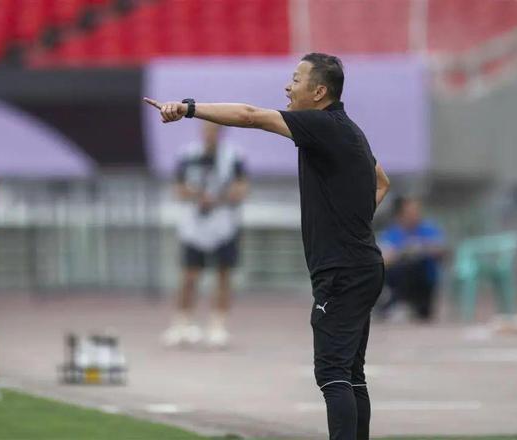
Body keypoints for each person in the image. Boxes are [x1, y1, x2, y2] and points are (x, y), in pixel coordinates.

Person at [144, 53, 390, 440]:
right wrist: (348, 222)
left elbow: (249, 115)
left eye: (296, 79)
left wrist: (188, 108)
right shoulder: (349, 130)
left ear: (319, 92)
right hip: (363, 264)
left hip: (341, 271)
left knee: (332, 374)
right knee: (350, 374)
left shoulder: (321, 125)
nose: (287, 87)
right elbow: (382, 183)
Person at [161, 121, 248, 349]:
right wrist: (198, 196)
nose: (210, 135)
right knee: (189, 276)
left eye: (214, 131)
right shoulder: (188, 155)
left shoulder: (233, 156)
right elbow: (178, 189)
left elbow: (241, 189)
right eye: (206, 130)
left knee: (223, 276)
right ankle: (182, 323)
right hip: (194, 226)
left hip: (224, 226)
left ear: (221, 133)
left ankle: (218, 326)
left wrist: (217, 198)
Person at [378, 196, 446, 321]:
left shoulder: (428, 229)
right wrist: (403, 251)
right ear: (400, 215)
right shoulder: (392, 233)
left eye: (416, 212)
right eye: (409, 212)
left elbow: (441, 250)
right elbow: (383, 258)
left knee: (417, 263)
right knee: (402, 265)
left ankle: (408, 306)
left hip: (424, 281)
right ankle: (397, 303)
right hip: (398, 279)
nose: (414, 216)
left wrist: (422, 248)